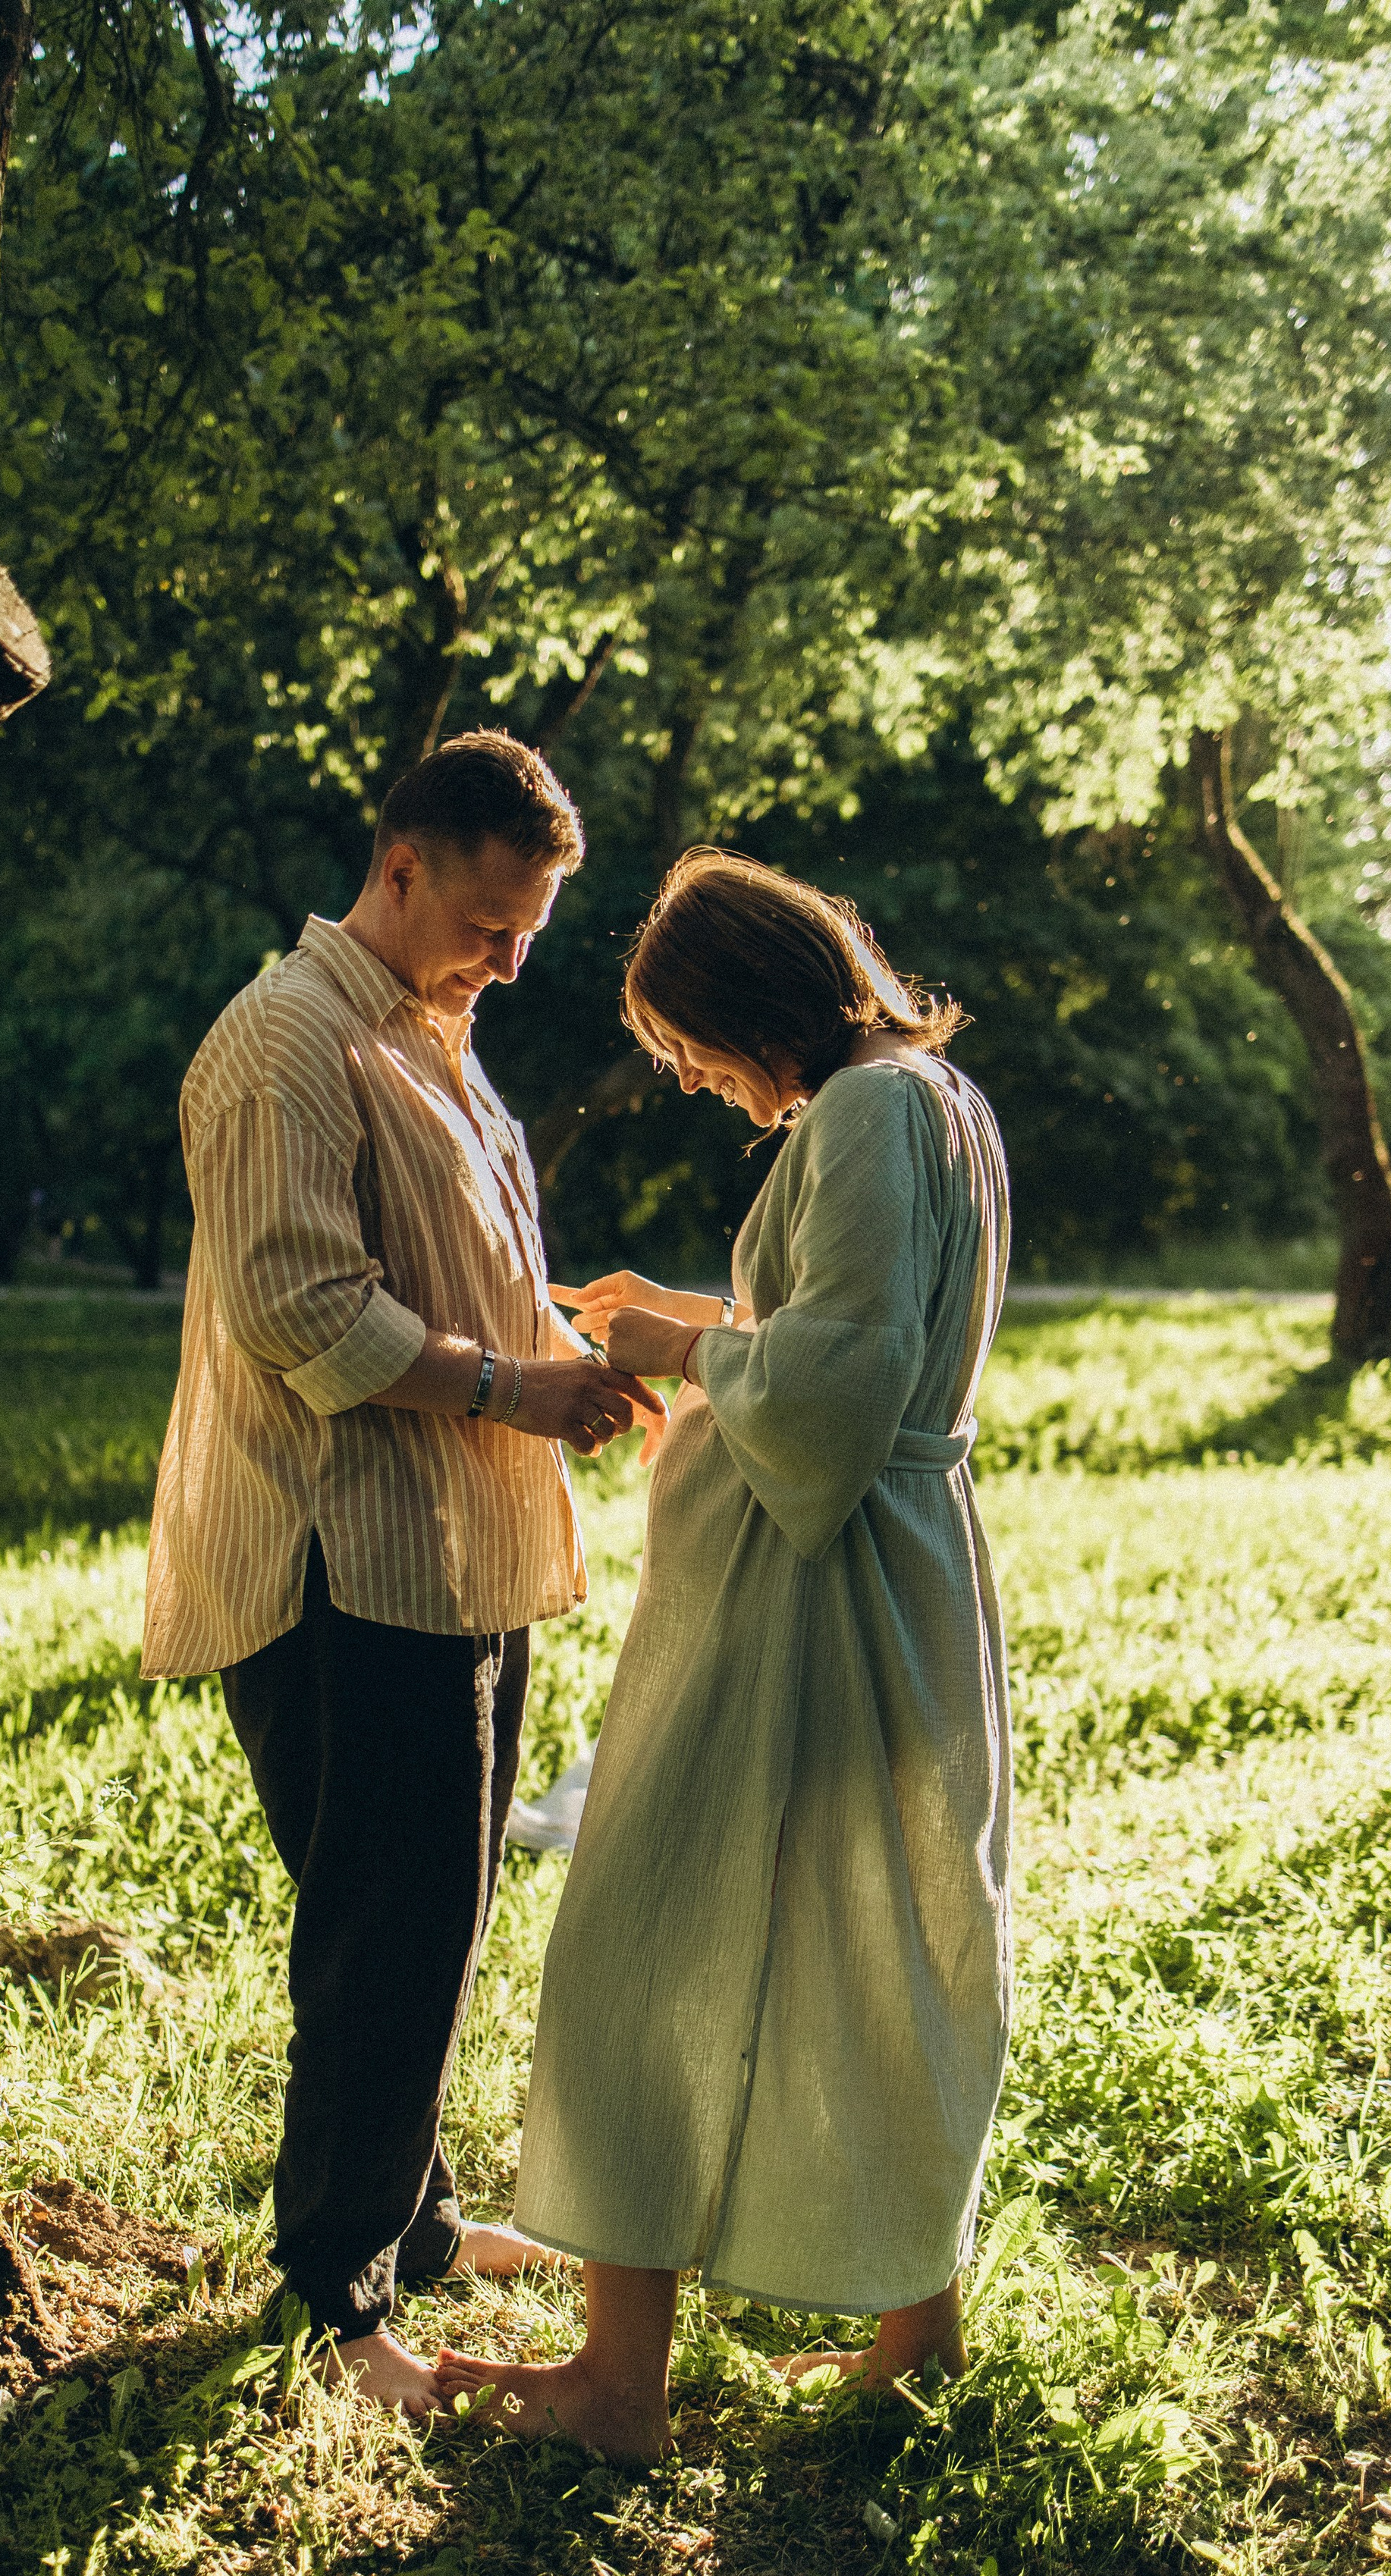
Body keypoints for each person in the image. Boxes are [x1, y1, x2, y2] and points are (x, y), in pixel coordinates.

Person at [435, 848, 1013, 2461]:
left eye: (695, 1051)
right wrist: (689, 1311)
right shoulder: (934, 1098)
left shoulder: (865, 1113)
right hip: (894, 1570)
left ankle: (618, 2388)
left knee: (650, 1925)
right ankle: (917, 2328)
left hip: (810, 1588)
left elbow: (828, 1391)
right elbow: (858, 1333)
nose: (703, 1087)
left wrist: (670, 1344)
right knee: (882, 1919)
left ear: (749, 1001)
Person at [141, 732, 665, 2415]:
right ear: (402, 865)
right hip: (340, 1567)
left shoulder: (434, 1038)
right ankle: (336, 2296)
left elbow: (454, 1265)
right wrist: (518, 1387)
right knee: (382, 1930)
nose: (512, 959)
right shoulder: (285, 1042)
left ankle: (419, 2224)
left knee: (434, 1917)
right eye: (493, 920)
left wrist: (571, 1339)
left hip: (456, 1549)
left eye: (532, 932)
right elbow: (301, 1311)